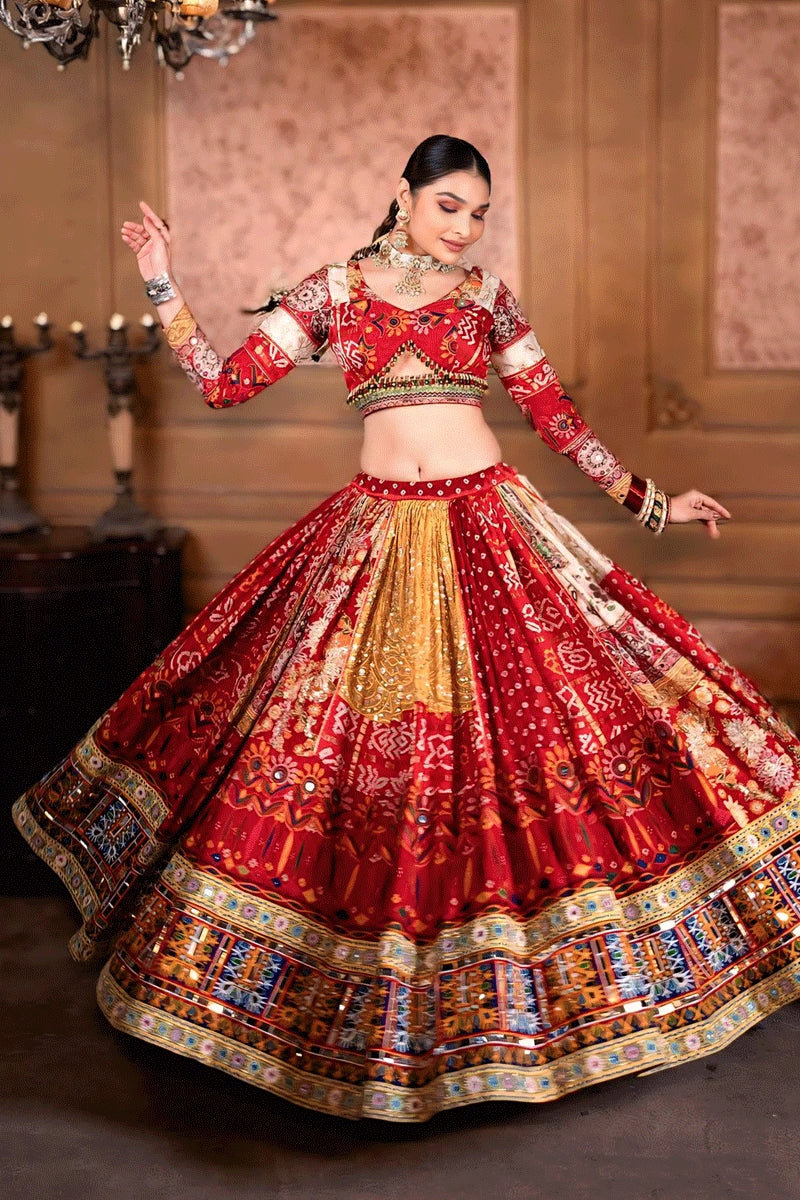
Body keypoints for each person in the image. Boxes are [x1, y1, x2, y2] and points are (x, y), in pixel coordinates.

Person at [13, 135, 800, 1125]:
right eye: (448, 206)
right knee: (341, 754)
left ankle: (529, 995)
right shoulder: (334, 291)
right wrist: (162, 279)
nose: (464, 228)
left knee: (543, 739)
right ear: (404, 195)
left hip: (489, 527)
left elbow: (554, 417)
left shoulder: (487, 297)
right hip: (375, 532)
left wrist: (651, 502)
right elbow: (222, 381)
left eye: (479, 213)